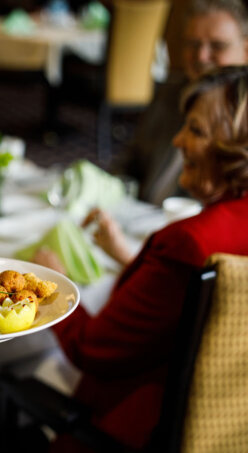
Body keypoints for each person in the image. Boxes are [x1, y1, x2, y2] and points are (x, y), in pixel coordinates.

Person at [35, 65, 248, 451]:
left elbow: (91, 348)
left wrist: (52, 288)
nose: (179, 140)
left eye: (196, 131)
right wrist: (126, 254)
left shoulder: (189, 243)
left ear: (239, 149)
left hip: (143, 425)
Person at [115, 0, 248, 205]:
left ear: (246, 50)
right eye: (193, 44)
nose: (202, 56)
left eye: (217, 46)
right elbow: (130, 161)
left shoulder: (242, 117)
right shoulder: (170, 91)